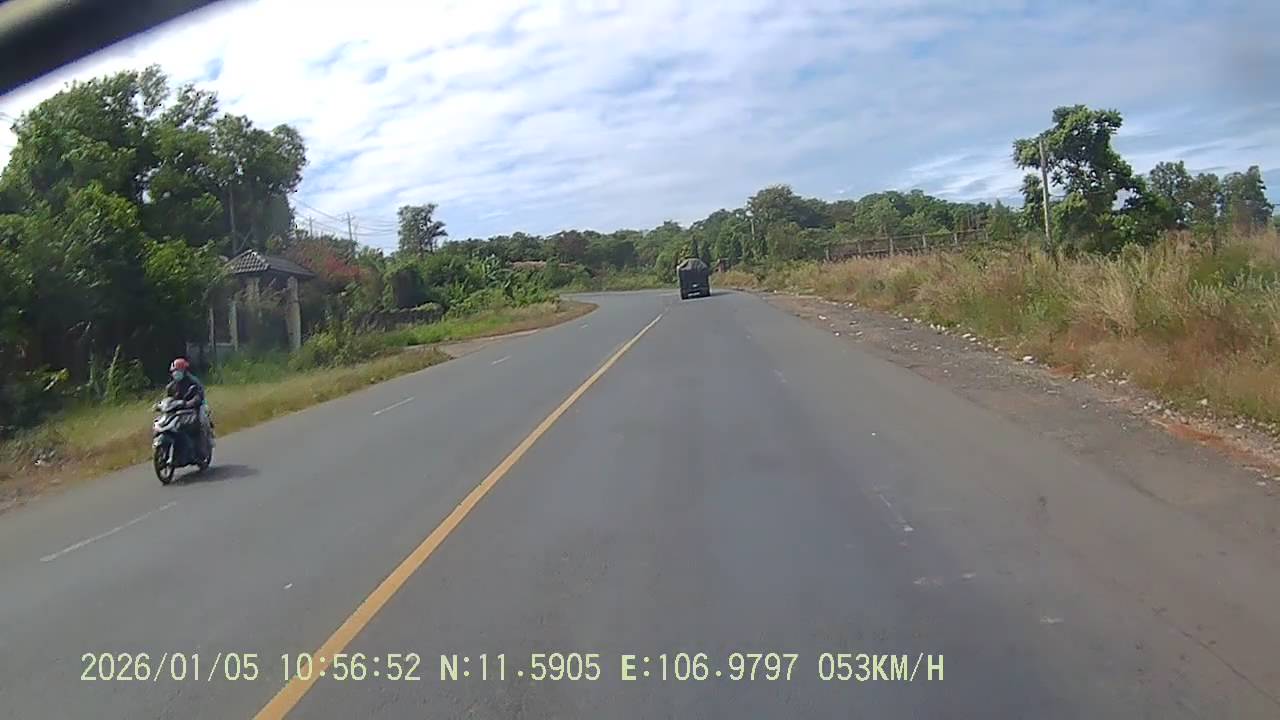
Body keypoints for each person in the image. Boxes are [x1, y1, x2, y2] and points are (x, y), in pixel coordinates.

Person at [165, 358, 211, 461]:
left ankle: (201, 450)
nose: (176, 373)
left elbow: (199, 395)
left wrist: (192, 402)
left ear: (184, 371)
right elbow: (168, 399)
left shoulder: (193, 382)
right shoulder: (171, 386)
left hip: (196, 408)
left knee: (200, 424)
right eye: (174, 371)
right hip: (179, 410)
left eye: (178, 371)